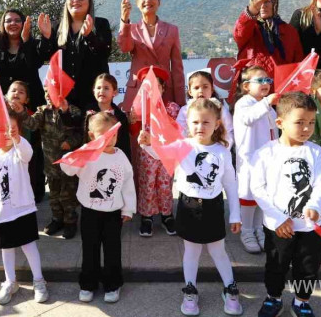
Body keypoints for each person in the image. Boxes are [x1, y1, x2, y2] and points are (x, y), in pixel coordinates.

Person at [140, 98, 242, 317]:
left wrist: (235, 214)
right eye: (195, 122)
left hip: (213, 208)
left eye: (206, 122)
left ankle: (230, 288)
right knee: (191, 251)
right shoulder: (182, 146)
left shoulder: (223, 151)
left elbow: (231, 184)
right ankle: (190, 289)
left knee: (218, 251)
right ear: (188, 123)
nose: (200, 127)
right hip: (188, 206)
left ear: (217, 124)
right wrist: (146, 143)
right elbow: (158, 152)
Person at [248, 92, 321, 317]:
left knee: (308, 266)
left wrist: (315, 206)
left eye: (311, 123)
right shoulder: (266, 153)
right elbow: (258, 189)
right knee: (276, 264)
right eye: (299, 122)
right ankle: (273, 297)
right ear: (280, 122)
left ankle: (302, 301)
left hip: (309, 227)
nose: (306, 128)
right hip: (279, 227)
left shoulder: (315, 151)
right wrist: (277, 218)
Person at [61, 112, 136, 304]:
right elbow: (67, 168)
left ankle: (113, 284)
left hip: (113, 213)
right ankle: (88, 284)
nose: (109, 140)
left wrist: (128, 209)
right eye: (103, 135)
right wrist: (81, 151)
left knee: (112, 250)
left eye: (113, 135)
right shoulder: (87, 155)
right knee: (90, 249)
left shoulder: (121, 157)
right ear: (92, 135)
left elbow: (128, 184)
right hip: (90, 212)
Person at [0, 113, 49, 305]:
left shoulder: (19, 151)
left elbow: (28, 153)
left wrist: (18, 139)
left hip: (22, 210)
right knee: (6, 248)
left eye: (12, 129)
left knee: (28, 245)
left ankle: (39, 280)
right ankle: (10, 281)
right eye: (2, 129)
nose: (7, 133)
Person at [14, 90, 84, 239]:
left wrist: (70, 142)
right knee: (54, 195)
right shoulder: (42, 111)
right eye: (45, 91)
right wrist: (22, 112)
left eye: (50, 92)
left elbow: (81, 133)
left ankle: (70, 222)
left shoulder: (73, 110)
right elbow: (32, 125)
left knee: (68, 195)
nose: (47, 95)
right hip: (50, 163)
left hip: (68, 163)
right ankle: (57, 219)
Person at [40, 0, 113, 111]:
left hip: (93, 96)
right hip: (65, 98)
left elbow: (104, 53)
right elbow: (45, 56)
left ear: (89, 1)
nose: (76, 0)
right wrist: (46, 38)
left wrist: (89, 36)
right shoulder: (56, 26)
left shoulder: (101, 24)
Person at [130, 66, 181, 237]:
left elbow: (172, 130)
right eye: (148, 86)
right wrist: (133, 123)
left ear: (163, 88)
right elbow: (134, 131)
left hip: (166, 152)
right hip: (147, 153)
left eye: (156, 85)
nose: (152, 89)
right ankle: (147, 216)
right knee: (147, 183)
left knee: (165, 185)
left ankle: (167, 215)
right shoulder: (139, 108)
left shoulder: (171, 107)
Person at [117, 0, 186, 110]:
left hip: (164, 91)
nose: (147, 0)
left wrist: (180, 101)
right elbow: (124, 47)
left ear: (159, 2)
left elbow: (177, 69)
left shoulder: (172, 30)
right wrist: (124, 20)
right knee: (138, 129)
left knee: (164, 128)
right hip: (139, 90)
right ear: (137, 3)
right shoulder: (131, 29)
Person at [233, 65, 278, 254]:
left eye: (268, 80)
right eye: (260, 80)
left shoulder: (269, 108)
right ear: (246, 86)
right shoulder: (244, 104)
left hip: (269, 161)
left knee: (263, 196)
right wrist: (267, 102)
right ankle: (247, 230)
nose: (265, 83)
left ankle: (259, 229)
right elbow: (248, 119)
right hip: (250, 160)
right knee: (248, 195)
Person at [231, 0, 303, 101]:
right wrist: (255, 4)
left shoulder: (289, 31)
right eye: (260, 2)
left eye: (267, 1)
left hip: (281, 95)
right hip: (252, 94)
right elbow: (240, 32)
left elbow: (298, 63)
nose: (263, 6)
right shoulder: (249, 27)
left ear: (274, 3)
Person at [0, 9, 51, 111]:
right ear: (3, 25)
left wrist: (30, 40)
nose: (13, 23)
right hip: (3, 103)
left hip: (31, 104)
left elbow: (37, 62)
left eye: (17, 20)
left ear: (23, 23)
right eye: (8, 21)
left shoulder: (34, 44)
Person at [5, 81, 46, 201]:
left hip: (24, 157)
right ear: (6, 95)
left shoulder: (30, 115)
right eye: (13, 91)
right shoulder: (1, 111)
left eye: (21, 92)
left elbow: (33, 136)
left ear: (26, 100)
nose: (16, 93)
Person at [176, 70, 234, 146]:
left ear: (212, 89)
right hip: (192, 150)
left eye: (205, 87)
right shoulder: (185, 110)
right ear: (190, 92)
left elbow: (228, 130)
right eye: (196, 88)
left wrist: (223, 148)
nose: (201, 91)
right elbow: (179, 131)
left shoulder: (220, 109)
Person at [85, 73, 131, 161]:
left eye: (106, 88)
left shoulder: (120, 117)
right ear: (93, 90)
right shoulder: (87, 111)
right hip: (92, 160)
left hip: (112, 161)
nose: (101, 91)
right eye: (98, 88)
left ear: (115, 92)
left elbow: (125, 144)